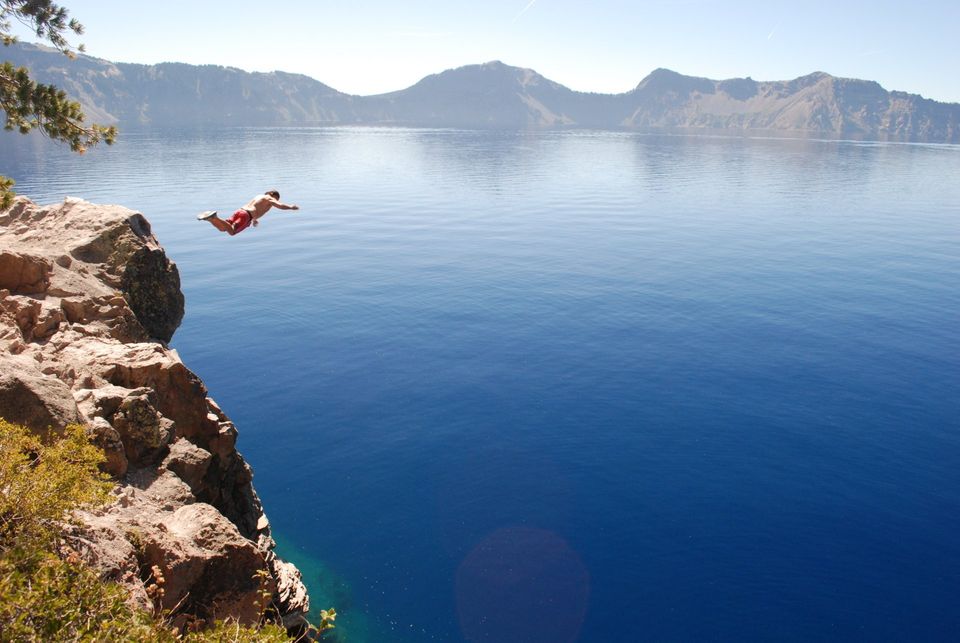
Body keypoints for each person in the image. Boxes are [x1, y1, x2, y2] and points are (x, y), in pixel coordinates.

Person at [197, 190, 299, 235]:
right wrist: (291, 207)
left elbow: (255, 209)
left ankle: (210, 218)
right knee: (232, 231)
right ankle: (215, 217)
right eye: (277, 198)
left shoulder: (259, 196)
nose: (276, 201)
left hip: (240, 211)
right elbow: (280, 205)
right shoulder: (269, 198)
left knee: (223, 228)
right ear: (272, 194)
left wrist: (254, 220)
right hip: (246, 216)